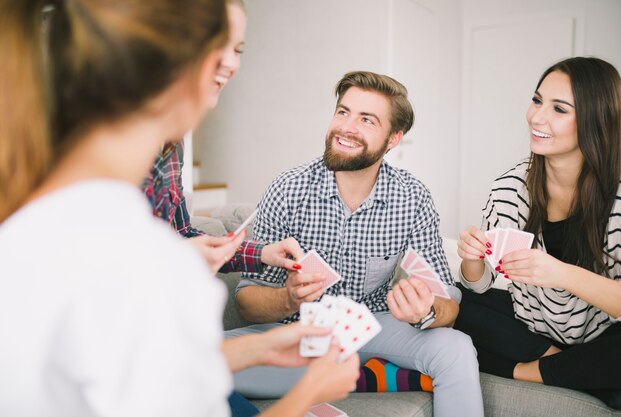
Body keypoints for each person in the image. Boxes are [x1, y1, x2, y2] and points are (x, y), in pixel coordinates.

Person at [0, 1, 359, 416]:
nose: (232, 64)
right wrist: (310, 392)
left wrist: (257, 346)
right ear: (199, 68)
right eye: (225, 47)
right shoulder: (151, 267)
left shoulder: (31, 221)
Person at [227, 71, 484, 417]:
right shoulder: (287, 189)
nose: (347, 127)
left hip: (374, 326)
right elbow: (248, 301)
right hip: (297, 334)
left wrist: (427, 311)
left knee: (456, 348)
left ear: (393, 138)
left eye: (367, 120)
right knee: (193, 360)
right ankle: (367, 374)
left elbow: (447, 300)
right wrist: (287, 298)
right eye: (343, 112)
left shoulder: (412, 198)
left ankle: (362, 369)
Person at [455, 57, 621, 410]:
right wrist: (472, 262)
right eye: (536, 101)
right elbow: (480, 284)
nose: (536, 117)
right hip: (532, 327)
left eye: (559, 109)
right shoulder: (509, 187)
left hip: (603, 332)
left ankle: (524, 370)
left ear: (596, 118)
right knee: (453, 304)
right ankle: (568, 367)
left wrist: (560, 274)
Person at [141, 0, 301, 276]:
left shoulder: (173, 142)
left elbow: (182, 236)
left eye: (237, 50)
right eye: (216, 43)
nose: (230, 64)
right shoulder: (101, 140)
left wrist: (263, 253)